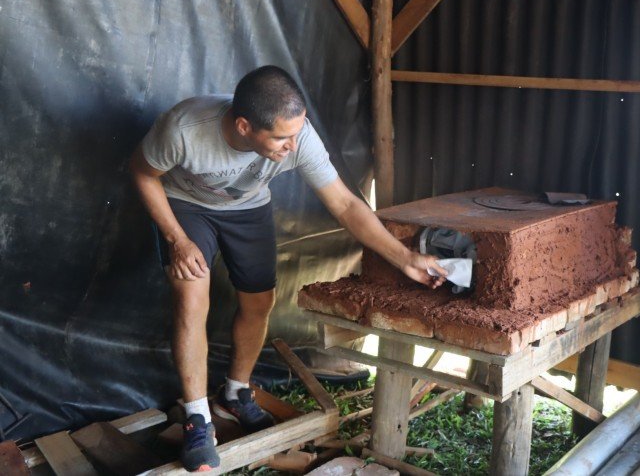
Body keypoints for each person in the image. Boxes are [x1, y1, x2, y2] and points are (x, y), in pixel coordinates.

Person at [130, 65, 446, 472]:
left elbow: (347, 204)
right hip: (186, 207)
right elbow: (142, 172)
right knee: (192, 296)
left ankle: (236, 393)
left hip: (247, 209)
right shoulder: (185, 129)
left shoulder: (299, 138)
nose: (292, 146)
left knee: (260, 300)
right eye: (281, 138)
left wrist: (406, 258)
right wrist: (178, 239)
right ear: (244, 126)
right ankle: (197, 417)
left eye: (297, 132)